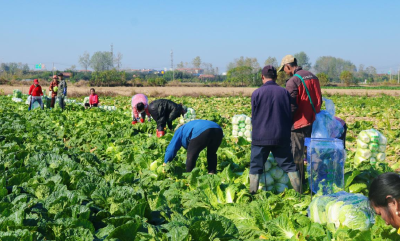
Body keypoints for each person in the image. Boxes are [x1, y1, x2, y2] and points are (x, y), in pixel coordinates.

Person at [250, 66, 300, 194]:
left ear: (262, 77)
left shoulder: (257, 93)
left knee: (256, 167)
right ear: (276, 77)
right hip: (280, 135)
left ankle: (252, 194)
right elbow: (289, 113)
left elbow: (254, 115)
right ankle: (300, 193)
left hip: (260, 136)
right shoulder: (284, 92)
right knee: (289, 165)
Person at [278, 55, 322, 186]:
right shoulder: (313, 76)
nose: (285, 72)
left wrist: (284, 120)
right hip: (314, 120)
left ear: (288, 66)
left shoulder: (293, 81)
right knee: (313, 154)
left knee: (297, 155)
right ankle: (317, 183)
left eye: (284, 70)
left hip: (299, 123)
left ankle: (300, 185)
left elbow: (291, 106)